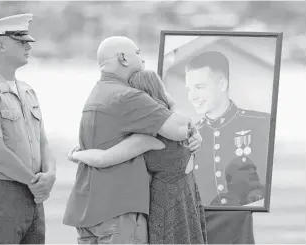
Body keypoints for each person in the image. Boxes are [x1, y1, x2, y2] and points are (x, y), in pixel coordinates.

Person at [62, 36, 201, 244]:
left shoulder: (98, 93)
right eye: (138, 53)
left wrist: (76, 154)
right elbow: (180, 129)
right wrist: (171, 103)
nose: (143, 60)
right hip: (118, 209)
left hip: (87, 207)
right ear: (123, 58)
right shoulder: (128, 97)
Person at [0, 14, 56, 244]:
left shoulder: (28, 91)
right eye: (21, 41)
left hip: (32, 193)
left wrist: (49, 176)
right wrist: (36, 183)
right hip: (0, 190)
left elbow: (43, 143)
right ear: (0, 45)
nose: (28, 46)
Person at [185, 51, 271, 244]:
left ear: (222, 84)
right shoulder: (190, 136)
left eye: (199, 87)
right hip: (203, 230)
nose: (192, 96)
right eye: (188, 89)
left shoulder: (261, 123)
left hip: (240, 229)